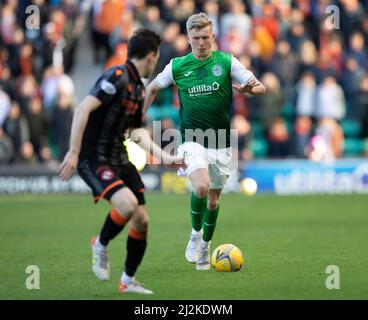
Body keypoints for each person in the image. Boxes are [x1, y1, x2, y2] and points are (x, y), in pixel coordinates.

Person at [59, 29, 183, 294]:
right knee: (126, 204)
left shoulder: (139, 89)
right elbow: (82, 108)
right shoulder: (116, 77)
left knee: (141, 221)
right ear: (152, 56)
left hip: (118, 156)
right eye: (156, 55)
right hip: (93, 157)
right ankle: (100, 244)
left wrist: (165, 157)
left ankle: (127, 281)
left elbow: (136, 132)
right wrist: (73, 151)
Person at [143, 13, 265, 271]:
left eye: (206, 38)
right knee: (201, 187)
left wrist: (248, 89)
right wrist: (136, 115)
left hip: (222, 140)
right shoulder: (177, 66)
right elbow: (152, 88)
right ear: (188, 39)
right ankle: (195, 235)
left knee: (213, 200)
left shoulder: (226, 61)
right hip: (192, 139)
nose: (201, 43)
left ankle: (206, 246)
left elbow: (260, 87)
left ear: (213, 37)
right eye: (196, 38)